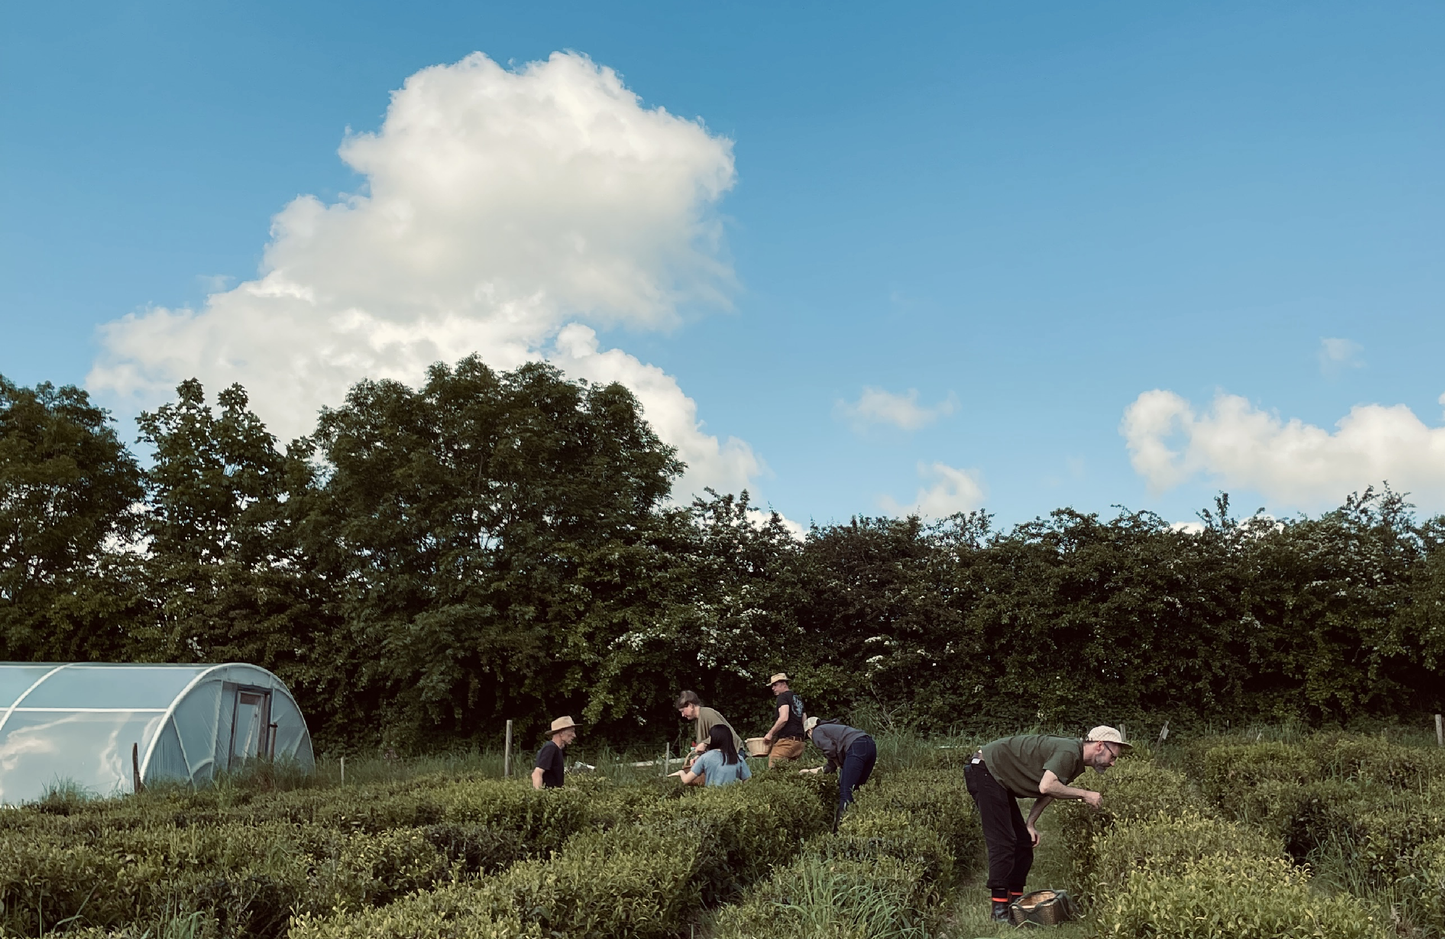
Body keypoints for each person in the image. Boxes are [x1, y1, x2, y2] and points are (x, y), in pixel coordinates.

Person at [965, 725, 1129, 921]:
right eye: (1113, 757)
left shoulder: (1076, 760)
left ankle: (1017, 905)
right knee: (1003, 842)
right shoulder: (1069, 752)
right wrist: (1085, 794)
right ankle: (999, 910)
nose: (1113, 764)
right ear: (1100, 746)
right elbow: (1047, 785)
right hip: (986, 770)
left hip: (997, 776)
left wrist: (1030, 824)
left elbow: (1051, 790)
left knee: (1023, 842)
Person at [800, 716, 877, 824]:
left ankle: (840, 830)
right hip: (870, 746)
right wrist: (809, 771)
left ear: (809, 731)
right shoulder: (834, 730)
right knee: (856, 789)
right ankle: (860, 824)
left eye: (808, 737)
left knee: (846, 791)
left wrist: (839, 764)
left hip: (856, 747)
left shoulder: (817, 731)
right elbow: (830, 767)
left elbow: (830, 750)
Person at [675, 691, 746, 767]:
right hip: (723, 757)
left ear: (690, 705)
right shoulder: (698, 721)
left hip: (734, 753)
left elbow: (723, 733)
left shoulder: (708, 714)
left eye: (683, 711)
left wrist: (705, 743)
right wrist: (698, 757)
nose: (682, 715)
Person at [671, 724, 753, 787]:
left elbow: (686, 780)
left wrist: (681, 772)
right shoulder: (738, 758)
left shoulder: (705, 757)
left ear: (714, 739)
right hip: (733, 799)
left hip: (712, 798)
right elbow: (748, 781)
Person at [761, 673, 806, 768]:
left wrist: (770, 734)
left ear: (784, 683)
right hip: (799, 742)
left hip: (786, 742)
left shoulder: (783, 697)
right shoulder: (797, 698)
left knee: (774, 769)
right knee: (791, 774)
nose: (773, 688)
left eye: (775, 685)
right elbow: (804, 719)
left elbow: (784, 718)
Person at [531, 715, 579, 790]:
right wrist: (539, 797)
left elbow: (553, 784)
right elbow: (537, 773)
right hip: (548, 799)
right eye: (572, 731)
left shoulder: (557, 750)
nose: (574, 735)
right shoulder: (550, 748)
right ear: (562, 733)